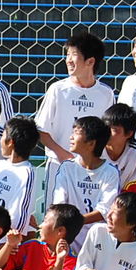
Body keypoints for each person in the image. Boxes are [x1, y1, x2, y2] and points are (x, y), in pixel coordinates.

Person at [35, 31, 115, 201]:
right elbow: (41, 129)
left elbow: (108, 133)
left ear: (90, 61)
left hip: (91, 169)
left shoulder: (105, 93)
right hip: (59, 163)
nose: (68, 60)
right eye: (67, 55)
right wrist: (62, 153)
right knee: (55, 216)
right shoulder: (57, 89)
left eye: (74, 55)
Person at [52, 115, 121, 252]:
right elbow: (59, 204)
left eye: (76, 133)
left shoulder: (110, 172)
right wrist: (68, 227)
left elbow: (105, 210)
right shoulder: (67, 168)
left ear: (91, 143)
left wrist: (75, 222)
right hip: (67, 237)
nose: (71, 137)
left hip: (98, 240)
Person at [102, 103, 136, 188]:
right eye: (106, 127)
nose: (107, 132)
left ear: (129, 133)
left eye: (114, 129)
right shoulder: (92, 148)